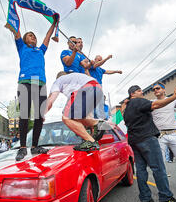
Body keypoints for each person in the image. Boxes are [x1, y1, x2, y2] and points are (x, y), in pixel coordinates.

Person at [122, 85, 176, 202]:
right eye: (140, 90)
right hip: (147, 138)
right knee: (158, 168)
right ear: (133, 94)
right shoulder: (139, 101)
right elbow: (155, 105)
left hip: (135, 141)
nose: (142, 92)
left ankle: (145, 198)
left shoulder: (127, 108)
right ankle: (166, 199)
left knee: (141, 170)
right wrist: (175, 97)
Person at [11, 16, 58, 161]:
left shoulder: (40, 50)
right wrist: (12, 5)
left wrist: (54, 23)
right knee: (24, 114)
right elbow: (16, 29)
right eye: (30, 36)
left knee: (40, 116)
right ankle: (23, 147)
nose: (34, 37)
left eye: (35, 36)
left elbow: (47, 37)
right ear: (25, 40)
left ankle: (35, 146)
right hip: (25, 81)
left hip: (40, 83)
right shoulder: (22, 47)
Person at [45, 71, 106, 152]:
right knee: (77, 117)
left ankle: (91, 141)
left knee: (66, 118)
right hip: (98, 89)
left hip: (85, 88)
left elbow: (50, 101)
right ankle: (97, 124)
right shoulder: (75, 78)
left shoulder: (59, 80)